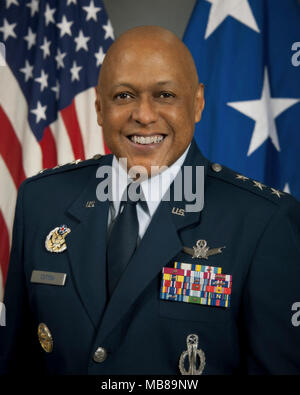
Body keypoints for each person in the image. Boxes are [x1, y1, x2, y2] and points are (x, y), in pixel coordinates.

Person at [1, 25, 300, 375]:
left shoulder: (263, 221)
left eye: (165, 95)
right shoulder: (41, 201)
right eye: (124, 96)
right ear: (99, 107)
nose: (143, 115)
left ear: (198, 103)